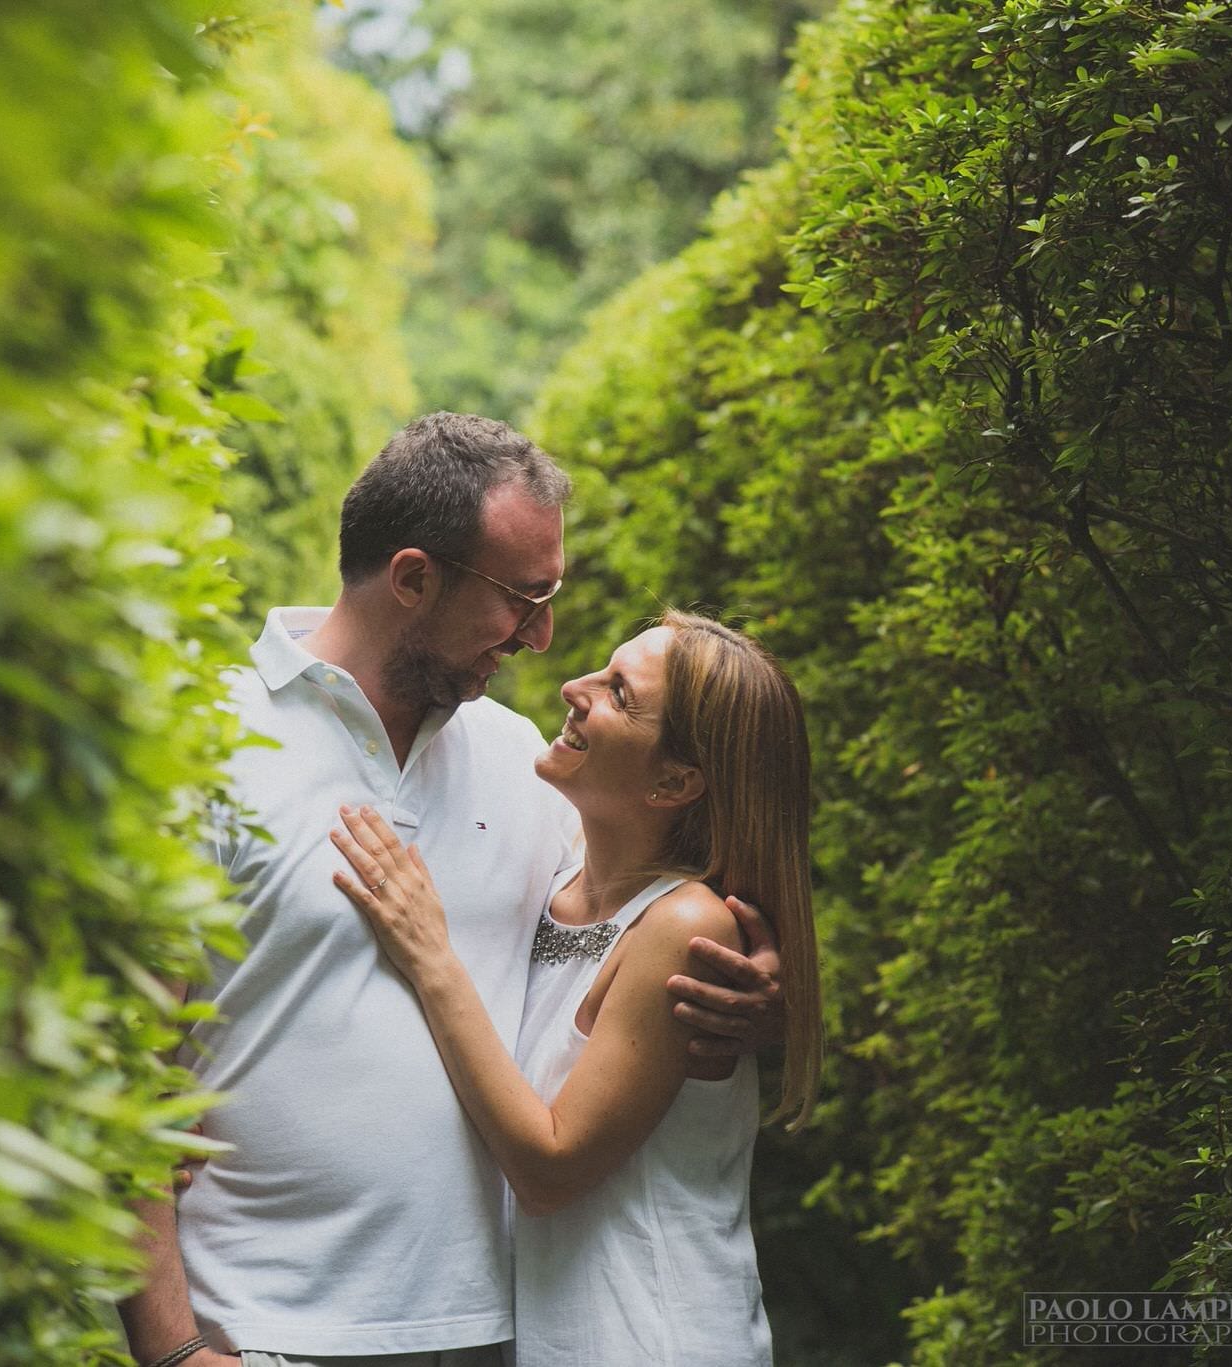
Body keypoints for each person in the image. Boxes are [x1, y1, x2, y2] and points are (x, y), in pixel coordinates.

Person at [119, 414, 786, 1367]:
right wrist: (173, 1350)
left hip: (500, 1334)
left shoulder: (532, 767)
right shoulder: (206, 741)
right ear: (414, 578)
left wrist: (758, 996)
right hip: (261, 1335)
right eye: (523, 597)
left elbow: (634, 947)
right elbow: (124, 1070)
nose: (545, 636)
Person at [327, 613, 821, 1365]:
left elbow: (551, 1168)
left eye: (619, 693)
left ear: (676, 781)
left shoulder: (685, 923)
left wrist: (432, 955)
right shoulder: (556, 879)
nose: (573, 687)